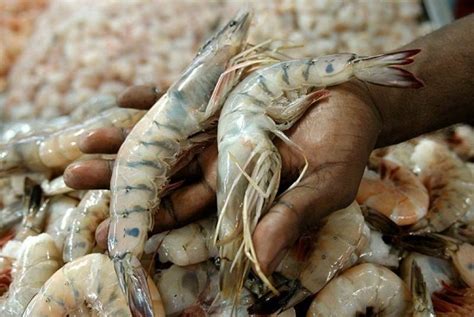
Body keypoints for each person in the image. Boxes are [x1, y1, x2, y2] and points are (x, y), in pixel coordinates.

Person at [64, 15, 473, 275]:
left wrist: (369, 103)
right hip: (166, 158)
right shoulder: (228, 101)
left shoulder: (233, 99)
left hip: (220, 126)